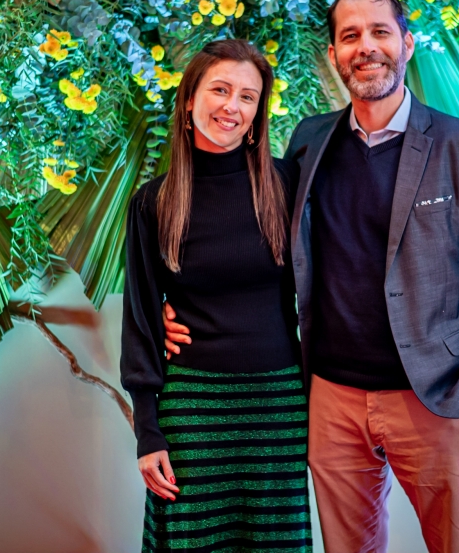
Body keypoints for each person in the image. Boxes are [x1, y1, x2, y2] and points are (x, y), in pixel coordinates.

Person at [162, 0, 459, 553]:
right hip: (330, 398)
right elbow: (259, 242)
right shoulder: (309, 141)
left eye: (380, 32)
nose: (366, 47)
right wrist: (177, 304)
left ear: (406, 43)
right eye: (350, 36)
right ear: (333, 54)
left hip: (434, 396)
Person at [120, 39, 312, 552]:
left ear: (258, 112)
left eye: (248, 97)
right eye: (220, 90)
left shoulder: (287, 184)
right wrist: (147, 432)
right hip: (193, 410)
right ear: (189, 99)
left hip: (279, 406)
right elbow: (140, 320)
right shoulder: (154, 202)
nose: (232, 106)